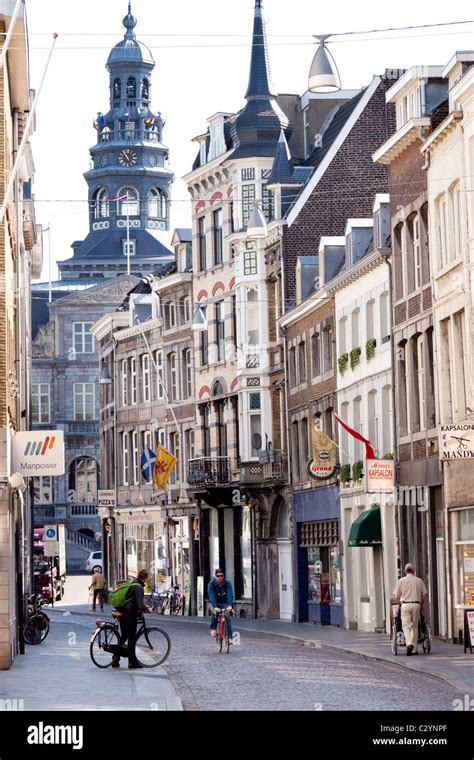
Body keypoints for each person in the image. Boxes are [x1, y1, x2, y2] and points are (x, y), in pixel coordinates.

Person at [111, 569, 150, 669]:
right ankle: (132, 662)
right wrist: (147, 609)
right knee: (131, 638)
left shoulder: (132, 583)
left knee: (123, 637)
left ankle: (115, 659)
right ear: (145, 578)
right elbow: (140, 605)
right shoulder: (138, 587)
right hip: (130, 614)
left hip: (122, 613)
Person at [393, 563, 428, 656]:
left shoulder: (401, 581)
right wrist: (421, 603)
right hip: (416, 604)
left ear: (405, 571)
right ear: (413, 571)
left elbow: (397, 596)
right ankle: (414, 649)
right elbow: (424, 595)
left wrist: (399, 604)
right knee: (415, 627)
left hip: (405, 605)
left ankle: (409, 644)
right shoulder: (419, 581)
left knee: (406, 626)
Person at [208, 568, 234, 643]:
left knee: (227, 617)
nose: (220, 577)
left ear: (223, 576)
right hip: (215, 602)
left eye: (221, 576)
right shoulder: (211, 584)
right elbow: (211, 595)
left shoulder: (227, 583)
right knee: (214, 612)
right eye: (218, 576)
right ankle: (213, 628)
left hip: (224, 602)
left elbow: (230, 594)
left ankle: (229, 638)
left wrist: (229, 605)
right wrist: (215, 606)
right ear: (215, 576)